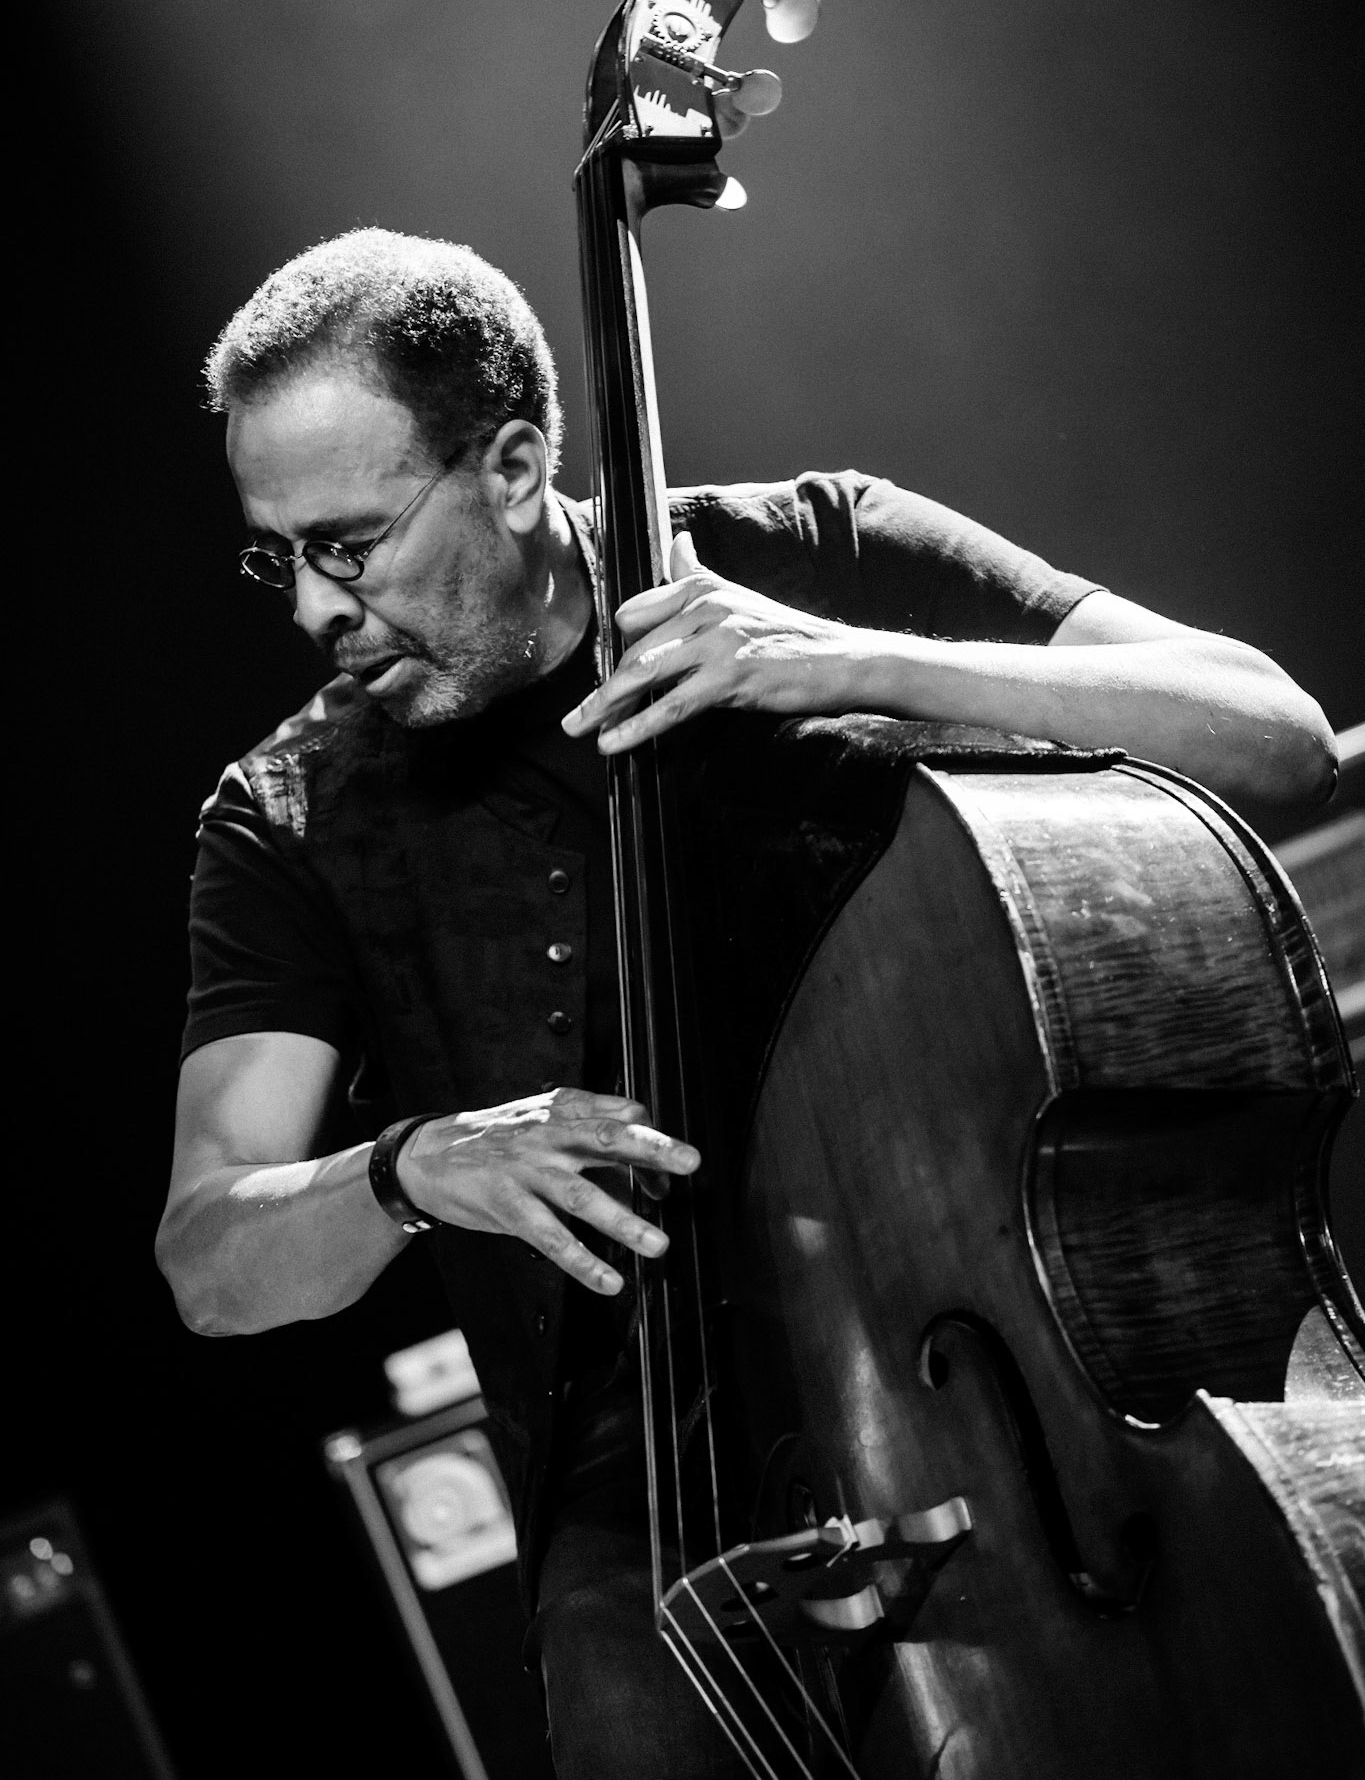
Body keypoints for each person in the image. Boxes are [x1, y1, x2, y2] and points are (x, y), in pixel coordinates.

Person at [156, 228, 1335, 1778]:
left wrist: (864, 665)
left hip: (1028, 1418)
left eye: (350, 546)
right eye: (280, 553)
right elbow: (213, 1256)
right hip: (650, 1533)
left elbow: (1274, 735)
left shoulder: (819, 557)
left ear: (512, 468)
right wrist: (406, 1166)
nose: (313, 610)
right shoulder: (290, 813)